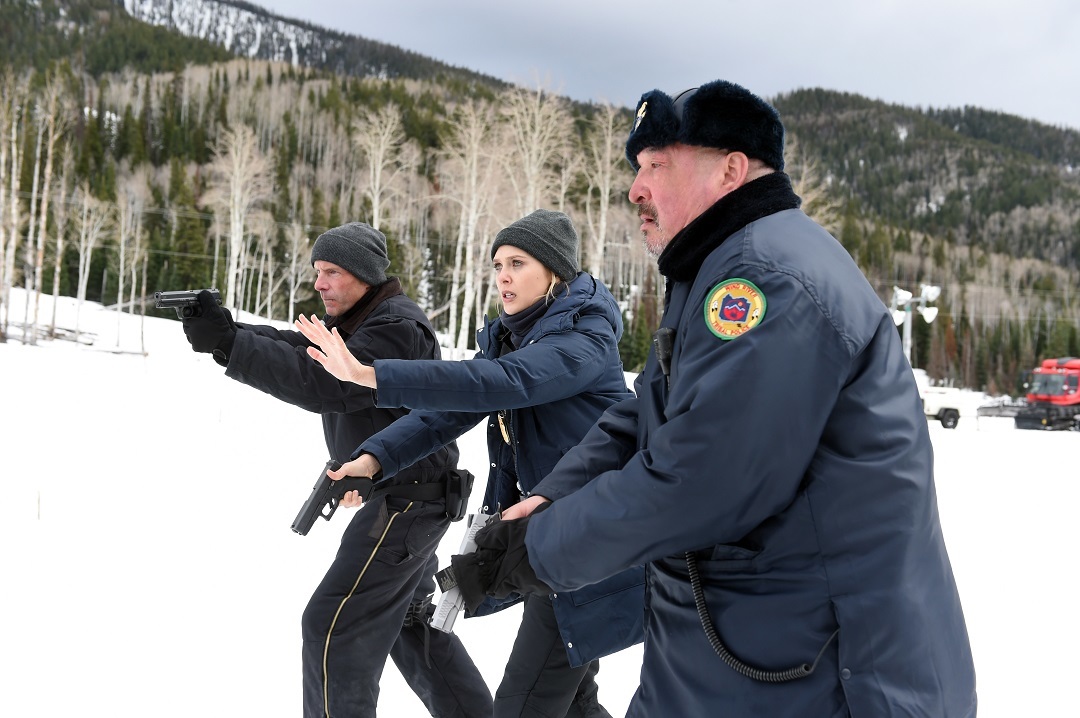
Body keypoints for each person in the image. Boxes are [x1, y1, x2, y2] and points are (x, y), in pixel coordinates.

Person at [454, 80, 979, 716]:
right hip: (730, 658)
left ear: (730, 169)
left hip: (822, 673)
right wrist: (553, 497)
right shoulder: (715, 271)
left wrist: (536, 552)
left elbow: (705, 478)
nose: (635, 188)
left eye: (657, 165)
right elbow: (642, 415)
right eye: (637, 167)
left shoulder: (767, 281)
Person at [294, 209, 644, 718]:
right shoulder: (512, 337)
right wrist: (372, 459)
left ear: (555, 271)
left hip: (593, 538)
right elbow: (449, 410)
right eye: (497, 263)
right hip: (552, 540)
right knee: (573, 707)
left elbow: (504, 383)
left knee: (524, 706)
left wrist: (372, 375)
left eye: (518, 263)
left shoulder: (582, 341)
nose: (502, 275)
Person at [177, 222, 492, 718]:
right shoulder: (363, 323)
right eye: (316, 272)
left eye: (331, 272)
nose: (319, 283)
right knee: (408, 627)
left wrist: (233, 346)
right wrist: (229, 334)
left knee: (333, 628)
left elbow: (324, 382)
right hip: (408, 500)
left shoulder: (397, 328)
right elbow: (301, 349)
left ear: (365, 275)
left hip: (408, 503)